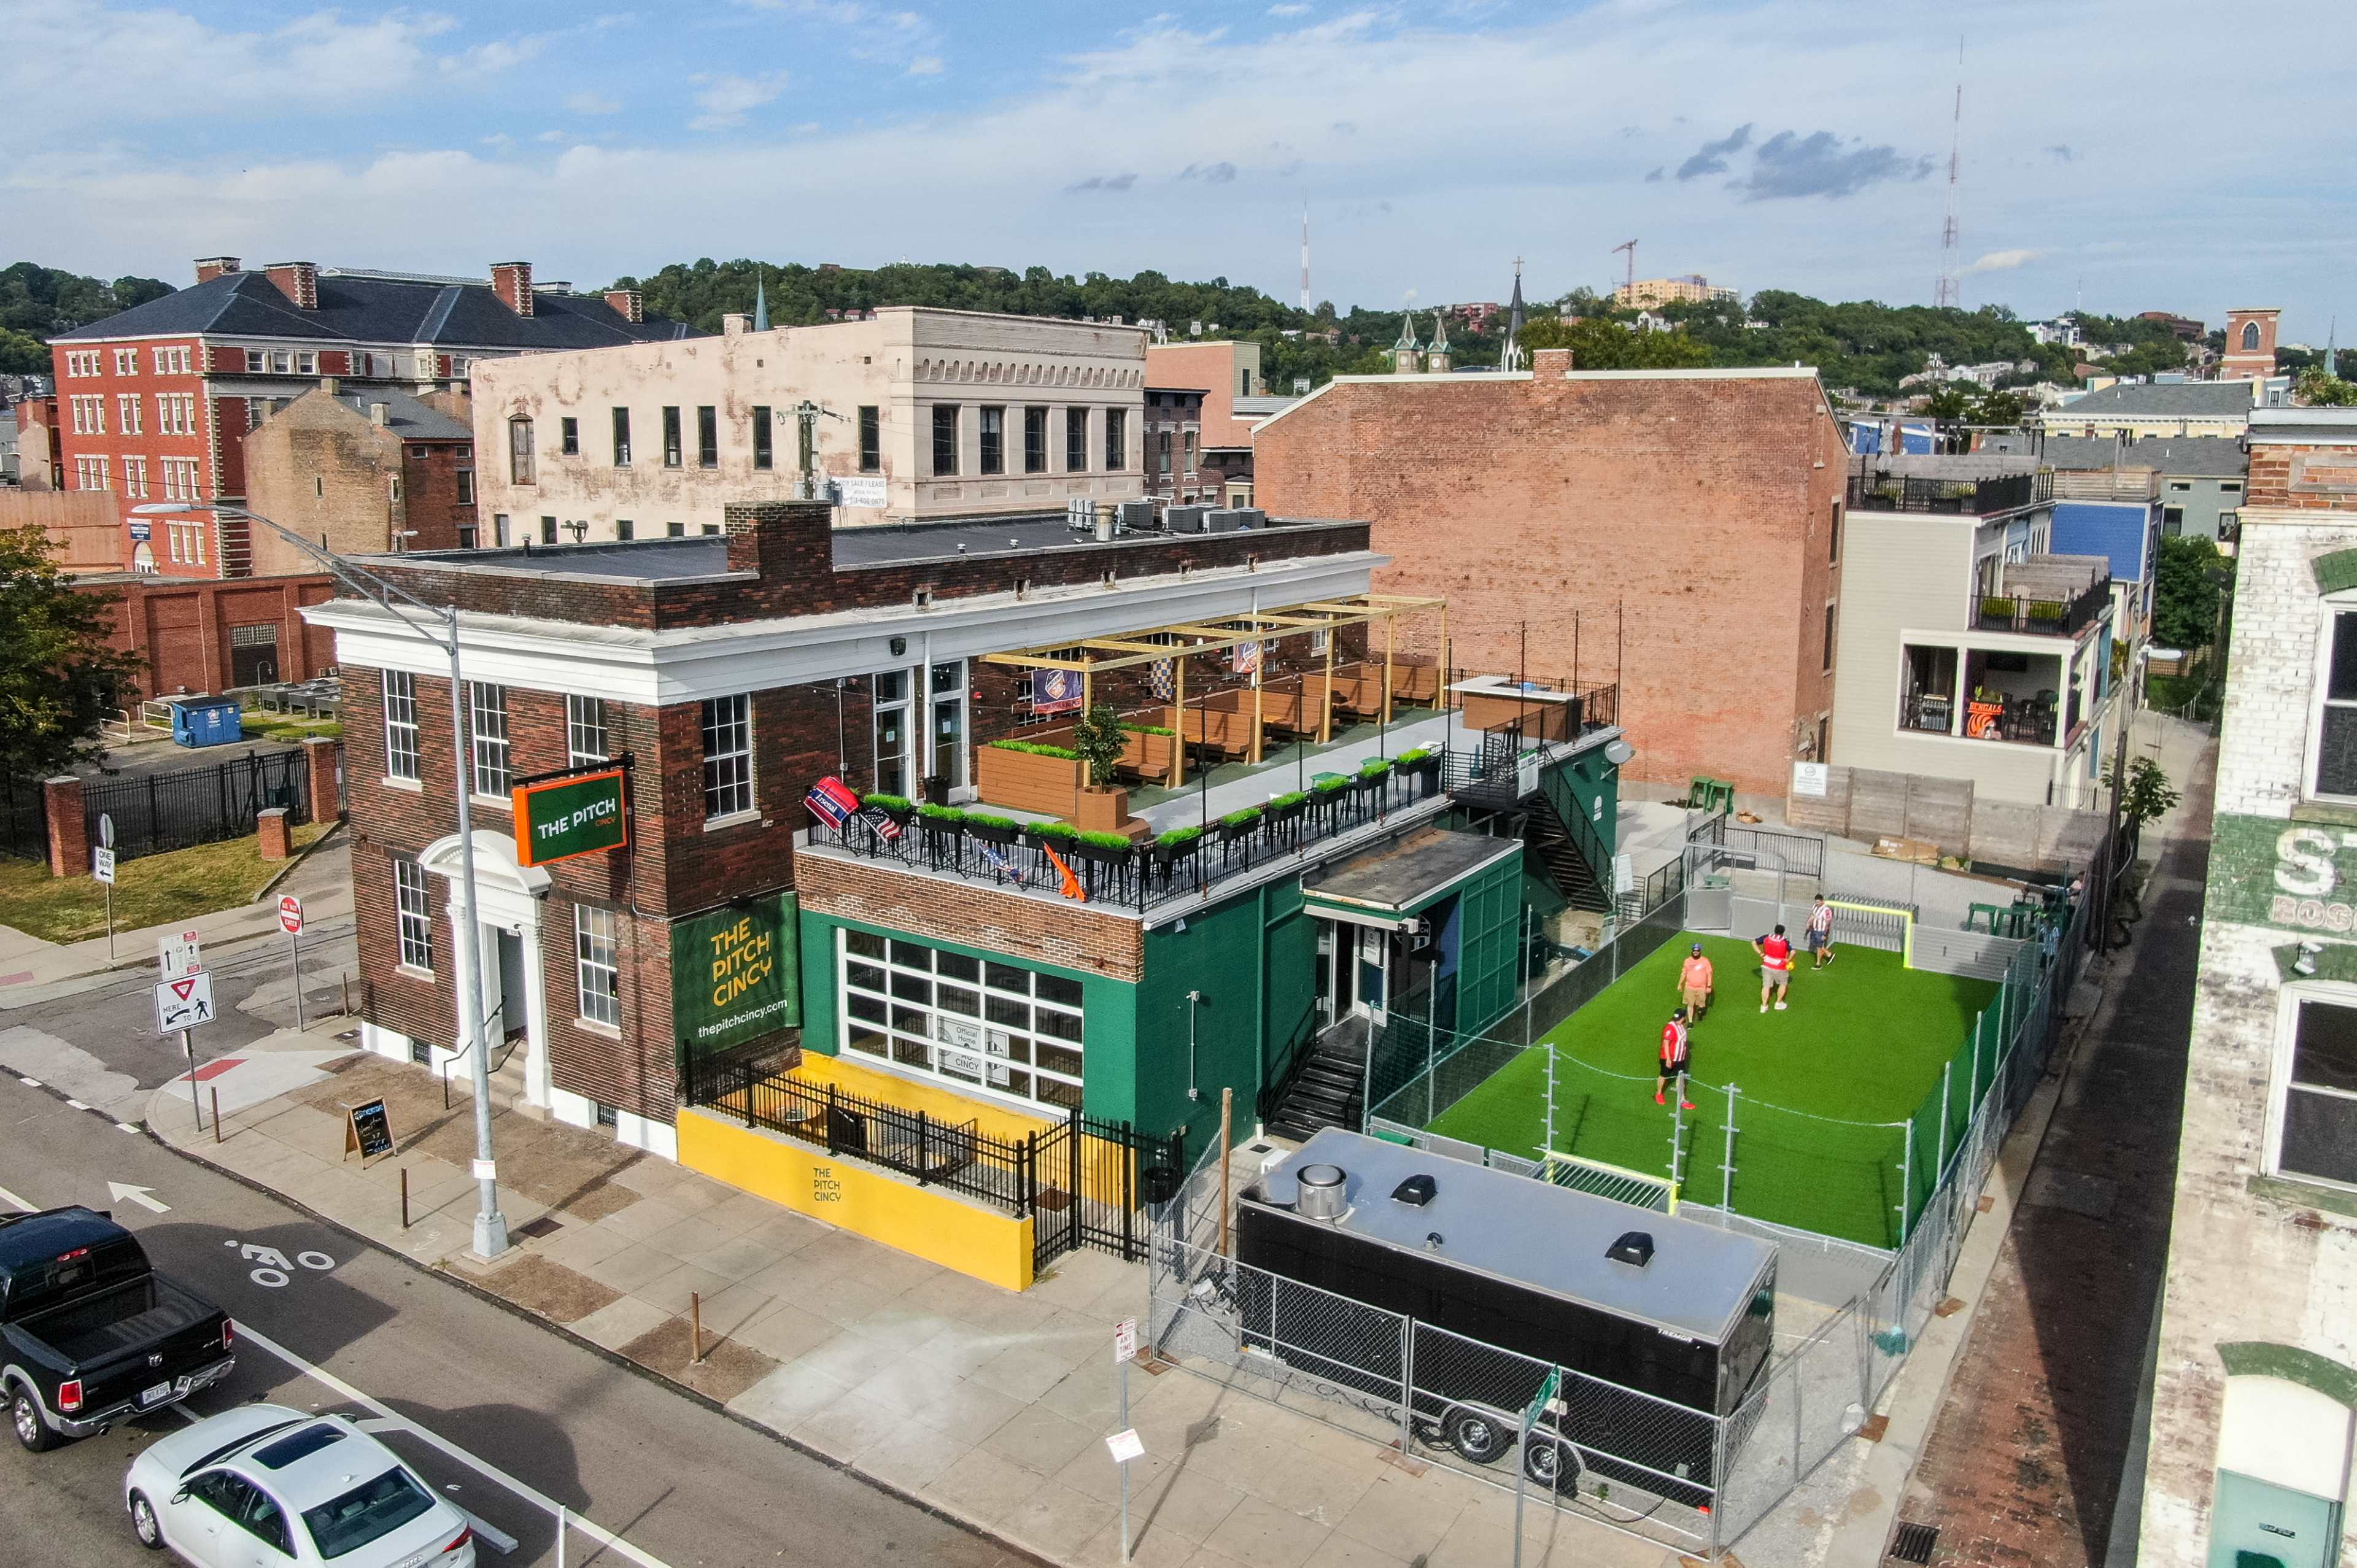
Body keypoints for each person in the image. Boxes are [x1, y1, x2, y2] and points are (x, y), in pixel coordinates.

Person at [1655, 1006, 1695, 1109]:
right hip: (1669, 1058)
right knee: (1664, 1075)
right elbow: (1666, 1043)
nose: (1678, 1021)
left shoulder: (1682, 1026)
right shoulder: (1670, 1027)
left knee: (1680, 1078)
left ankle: (1683, 1100)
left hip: (1680, 1059)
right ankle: (1659, 1093)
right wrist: (1668, 1059)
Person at [1755, 924, 1794, 1012]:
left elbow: (1754, 943)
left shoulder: (1767, 937)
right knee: (1783, 984)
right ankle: (1779, 1003)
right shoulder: (1785, 941)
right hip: (1780, 967)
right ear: (1783, 932)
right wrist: (1788, 960)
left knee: (1766, 986)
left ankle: (1764, 1006)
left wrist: (1761, 954)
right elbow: (1793, 952)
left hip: (1767, 965)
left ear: (1775, 930)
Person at [1679, 942, 1714, 1020]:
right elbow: (1684, 973)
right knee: (1690, 1005)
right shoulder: (1688, 961)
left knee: (1702, 1004)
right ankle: (1691, 1022)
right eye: (1694, 951)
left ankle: (1700, 1011)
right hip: (1690, 987)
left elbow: (1709, 974)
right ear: (1692, 951)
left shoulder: (1705, 961)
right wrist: (1680, 984)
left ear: (1700, 952)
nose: (1696, 952)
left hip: (1701, 987)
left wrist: (1709, 986)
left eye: (1697, 951)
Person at [1805, 895, 1836, 970]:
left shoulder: (1826, 910)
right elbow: (1813, 915)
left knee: (1819, 947)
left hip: (1821, 931)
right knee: (1817, 946)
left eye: (1818, 902)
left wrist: (1825, 934)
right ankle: (1829, 955)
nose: (1817, 903)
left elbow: (1828, 923)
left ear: (1822, 901)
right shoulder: (1815, 907)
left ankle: (1818, 964)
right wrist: (1809, 922)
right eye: (1816, 902)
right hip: (1815, 929)